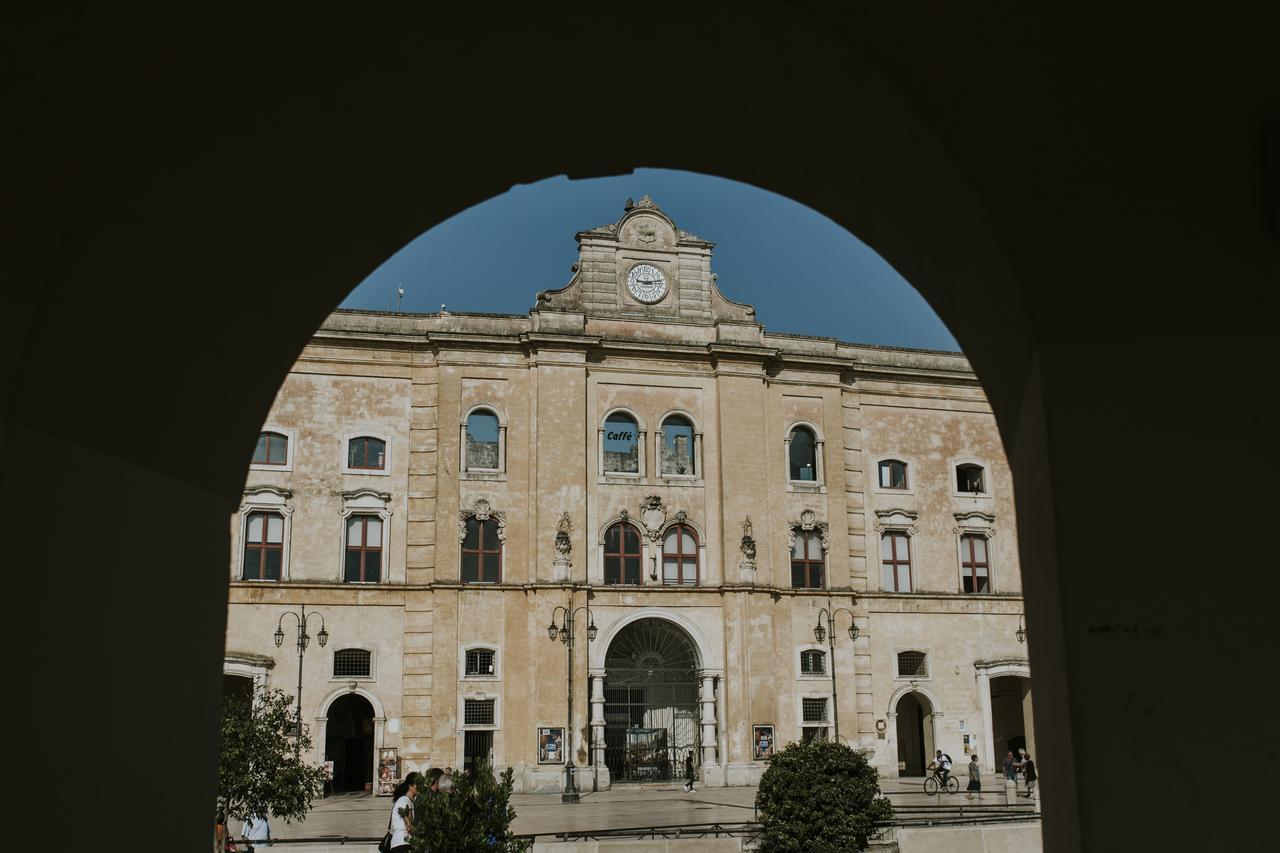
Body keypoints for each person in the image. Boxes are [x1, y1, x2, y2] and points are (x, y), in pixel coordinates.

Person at [389, 771, 422, 852]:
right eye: (418, 784)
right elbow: (409, 826)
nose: (421, 787)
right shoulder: (404, 801)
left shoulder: (409, 801)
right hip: (402, 843)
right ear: (410, 786)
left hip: (404, 843)